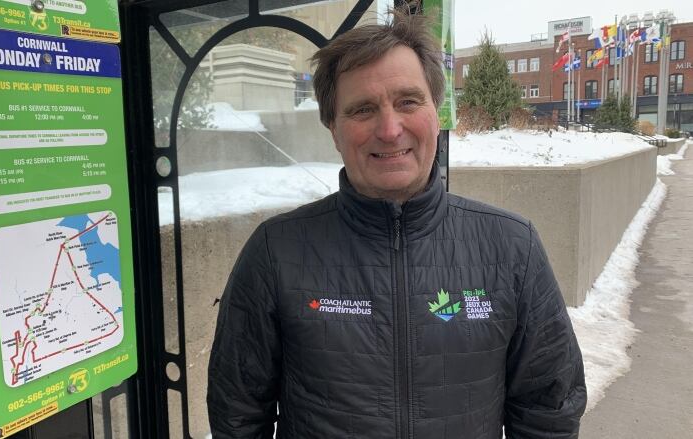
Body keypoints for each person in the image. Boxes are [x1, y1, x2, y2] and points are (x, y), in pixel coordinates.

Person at [207, 6, 586, 438]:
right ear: (333, 127)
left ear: (436, 113)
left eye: (408, 101)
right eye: (362, 109)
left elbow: (548, 410)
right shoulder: (276, 251)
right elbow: (237, 414)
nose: (389, 129)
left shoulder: (513, 247)